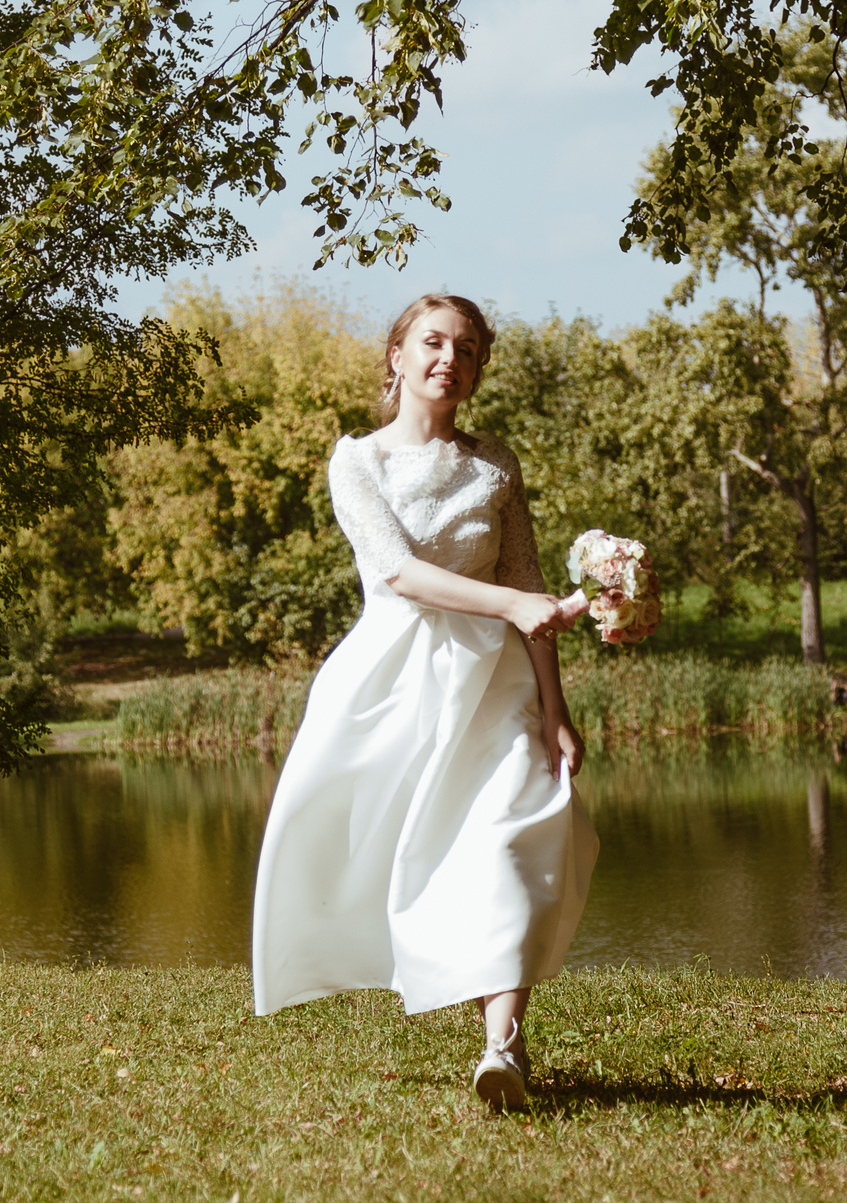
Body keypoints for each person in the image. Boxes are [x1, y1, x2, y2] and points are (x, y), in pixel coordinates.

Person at [250, 293, 597, 1110]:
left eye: (468, 348)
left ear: (478, 369)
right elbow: (399, 571)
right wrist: (513, 609)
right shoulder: (357, 461)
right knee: (392, 854)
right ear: (397, 356)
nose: (450, 358)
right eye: (433, 342)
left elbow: (528, 585)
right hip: (392, 681)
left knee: (510, 845)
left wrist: (555, 708)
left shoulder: (496, 465)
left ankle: (502, 1049)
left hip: (496, 684)